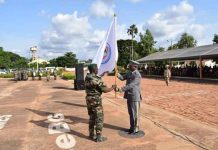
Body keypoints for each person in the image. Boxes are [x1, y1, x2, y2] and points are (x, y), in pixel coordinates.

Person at [85, 64, 116, 142]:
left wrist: (102, 75)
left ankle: (91, 134)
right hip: (96, 100)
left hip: (89, 100)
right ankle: (99, 137)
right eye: (97, 68)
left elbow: (95, 80)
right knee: (99, 118)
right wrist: (112, 87)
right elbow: (105, 90)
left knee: (91, 117)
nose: (98, 70)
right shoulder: (96, 79)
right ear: (94, 69)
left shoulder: (87, 77)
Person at [116, 60, 142, 134]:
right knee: (131, 113)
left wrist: (121, 89)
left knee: (135, 113)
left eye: (131, 65)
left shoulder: (137, 75)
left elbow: (131, 85)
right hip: (129, 95)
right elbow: (122, 78)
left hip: (134, 96)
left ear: (135, 66)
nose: (129, 66)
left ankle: (136, 129)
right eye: (130, 65)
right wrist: (117, 74)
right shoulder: (129, 72)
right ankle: (131, 127)